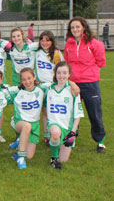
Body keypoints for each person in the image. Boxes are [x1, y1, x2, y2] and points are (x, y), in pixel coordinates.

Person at [64, 17, 106, 153]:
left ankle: (100, 141)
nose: (75, 30)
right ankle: (72, 137)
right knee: (72, 113)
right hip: (73, 84)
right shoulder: (68, 44)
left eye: (77, 27)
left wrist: (90, 75)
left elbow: (101, 62)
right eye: (72, 28)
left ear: (83, 27)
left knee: (94, 113)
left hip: (90, 84)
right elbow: (67, 63)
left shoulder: (94, 43)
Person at [46, 62, 84, 170]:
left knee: (64, 160)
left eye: (64, 73)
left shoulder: (73, 91)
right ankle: (53, 159)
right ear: (55, 74)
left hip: (68, 128)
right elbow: (33, 84)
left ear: (69, 74)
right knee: (55, 133)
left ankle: (56, 144)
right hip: (54, 124)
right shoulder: (48, 88)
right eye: (59, 73)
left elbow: (78, 115)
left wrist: (72, 132)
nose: (61, 76)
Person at [7, 68, 47, 169]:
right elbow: (0, 89)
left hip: (35, 125)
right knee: (26, 126)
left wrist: (73, 84)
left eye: (29, 78)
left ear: (34, 77)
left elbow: (59, 82)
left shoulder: (42, 89)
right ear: (21, 81)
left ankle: (20, 142)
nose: (27, 81)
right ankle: (20, 158)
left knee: (29, 156)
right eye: (24, 79)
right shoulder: (17, 91)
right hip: (19, 122)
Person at [35, 30, 64, 145]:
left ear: (52, 41)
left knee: (54, 112)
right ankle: (47, 136)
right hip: (42, 86)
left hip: (53, 87)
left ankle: (57, 133)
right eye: (42, 40)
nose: (44, 43)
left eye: (47, 40)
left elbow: (61, 69)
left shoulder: (56, 53)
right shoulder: (37, 52)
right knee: (45, 112)